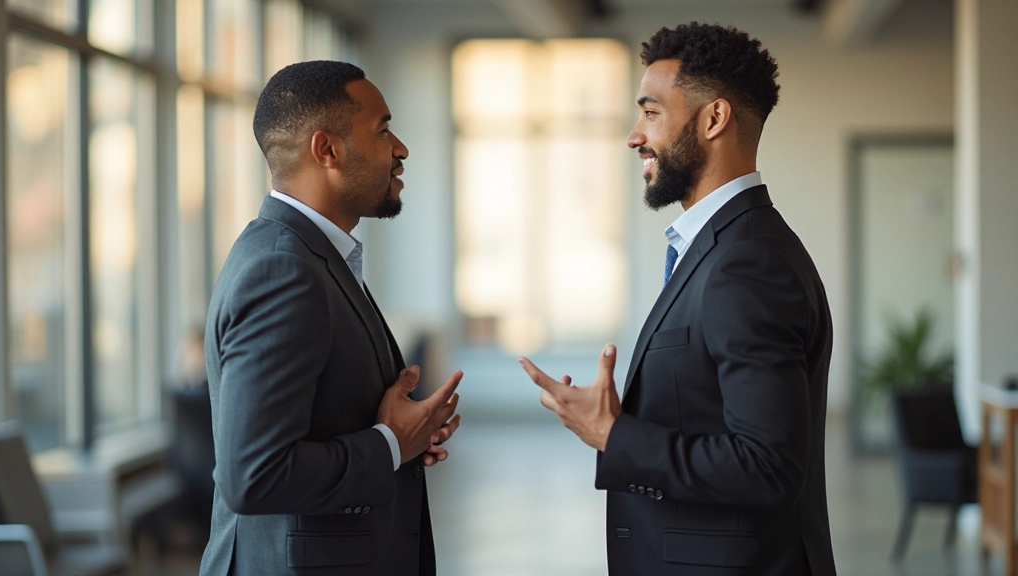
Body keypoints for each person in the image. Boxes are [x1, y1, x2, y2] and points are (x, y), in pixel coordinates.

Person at [520, 23, 837, 576]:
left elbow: (768, 467)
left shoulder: (747, 261)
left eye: (650, 113)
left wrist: (616, 436)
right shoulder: (729, 246)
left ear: (713, 119)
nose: (633, 136)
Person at [199, 61, 463, 576]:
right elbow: (254, 475)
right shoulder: (282, 268)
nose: (401, 149)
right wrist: (389, 444)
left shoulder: (309, 255)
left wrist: (403, 436)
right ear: (327, 150)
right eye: (383, 130)